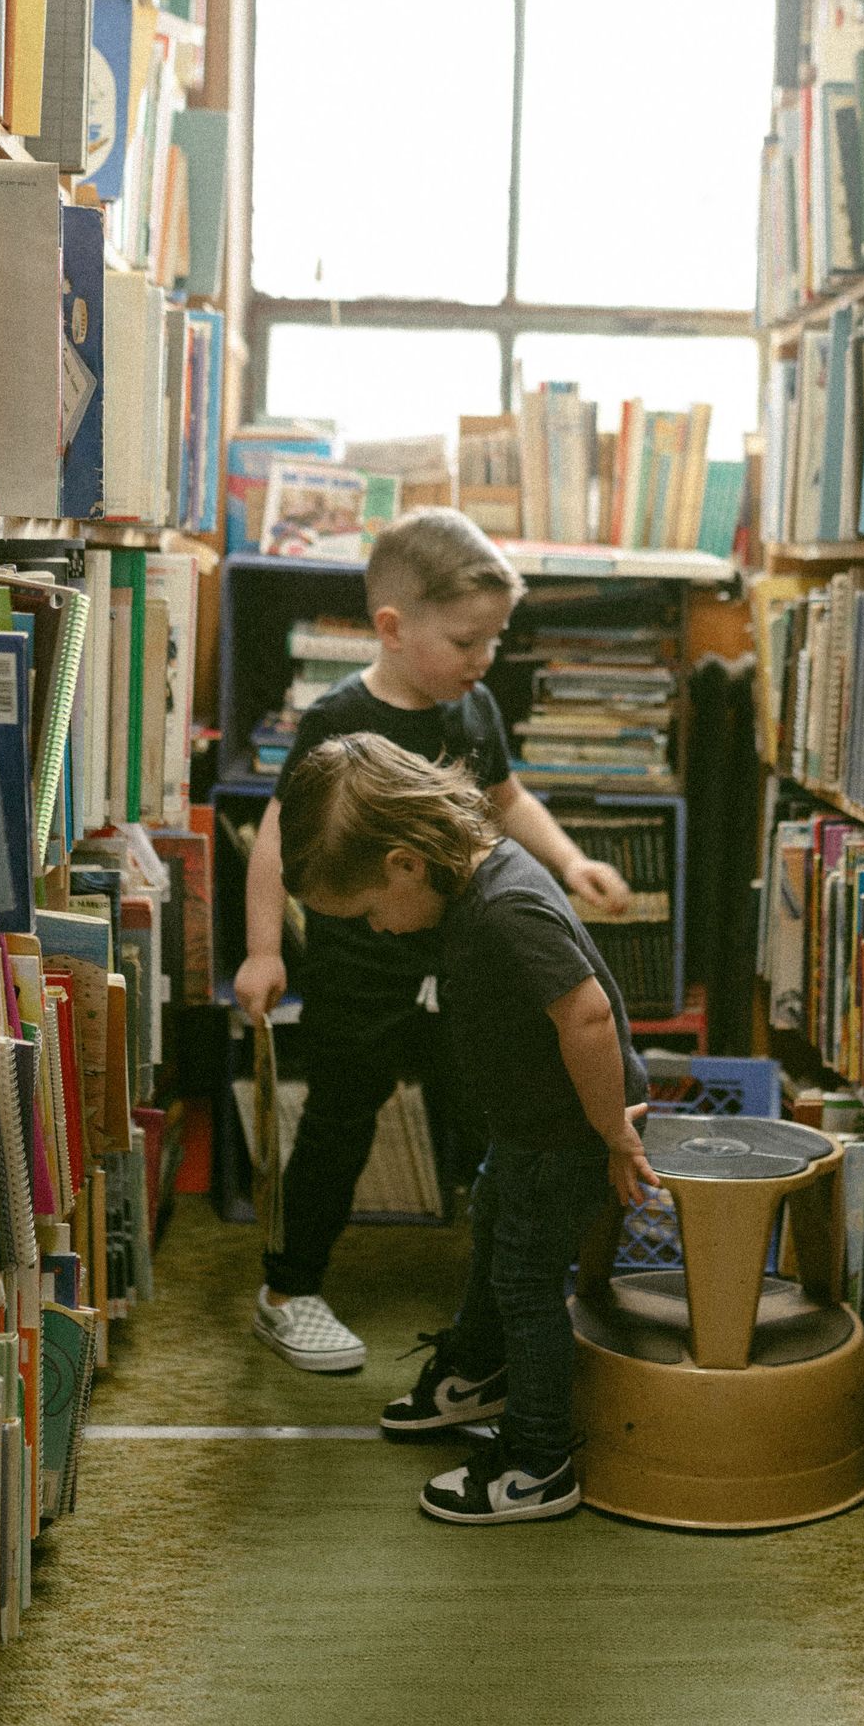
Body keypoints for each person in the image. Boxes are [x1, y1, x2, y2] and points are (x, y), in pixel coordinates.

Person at [235, 508, 630, 1375]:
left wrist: (570, 864)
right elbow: (277, 833)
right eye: (466, 641)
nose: (483, 658)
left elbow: (506, 799)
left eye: (494, 639)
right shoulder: (339, 719)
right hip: (363, 961)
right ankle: (288, 1289)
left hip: (462, 968)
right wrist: (265, 949)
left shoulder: (475, 703)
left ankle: (495, 1288)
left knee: (489, 1114)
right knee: (340, 1120)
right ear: (392, 628)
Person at [278, 731, 657, 1524]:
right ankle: (479, 1374)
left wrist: (614, 1136)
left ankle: (538, 1461)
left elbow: (587, 1015)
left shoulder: (506, 908)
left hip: (572, 1132)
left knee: (526, 1283)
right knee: (493, 1232)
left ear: (406, 864)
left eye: (371, 913)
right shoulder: (472, 887)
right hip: (530, 1124)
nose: (378, 931)